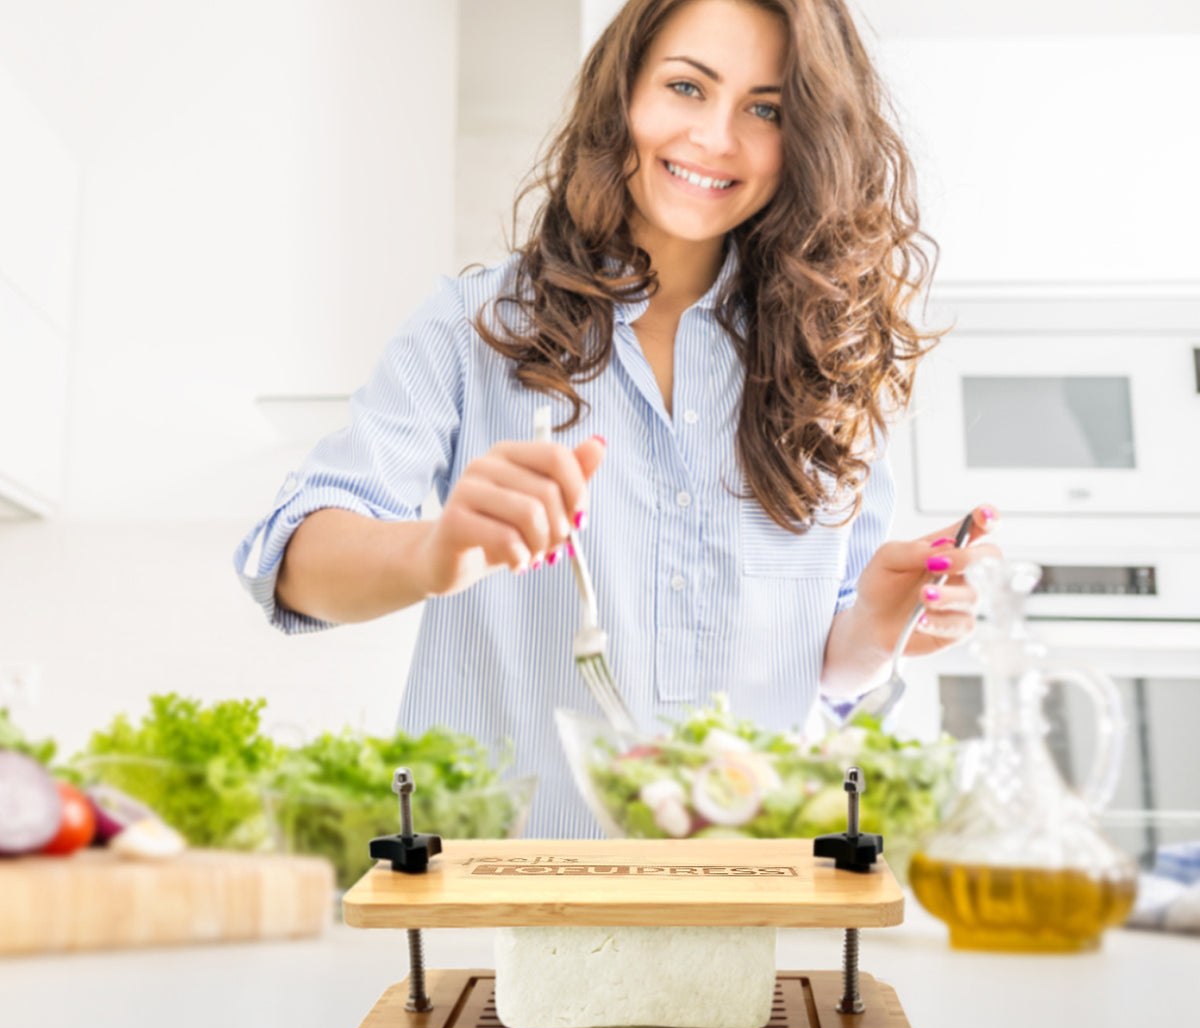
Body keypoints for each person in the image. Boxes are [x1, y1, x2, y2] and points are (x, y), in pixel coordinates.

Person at [234, 0, 1000, 838]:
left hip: (746, 899)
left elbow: (824, 669)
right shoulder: (474, 326)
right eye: (686, 87)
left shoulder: (829, 364)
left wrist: (881, 625)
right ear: (623, 95)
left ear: (810, 140)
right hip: (507, 904)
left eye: (766, 109)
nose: (716, 137)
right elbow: (290, 560)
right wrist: (433, 550)